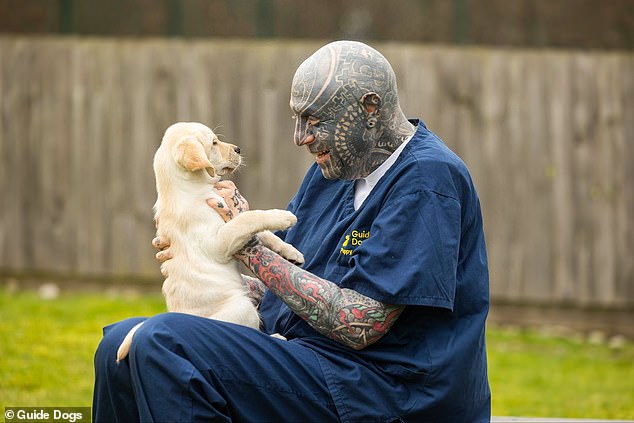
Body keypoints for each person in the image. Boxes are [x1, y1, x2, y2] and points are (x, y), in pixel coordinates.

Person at [93, 40, 491, 422]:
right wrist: (207, 270)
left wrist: (243, 243)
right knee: (118, 348)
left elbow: (361, 323)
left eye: (314, 121)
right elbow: (295, 288)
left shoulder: (426, 179)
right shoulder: (334, 172)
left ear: (370, 108)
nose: (300, 137)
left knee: (164, 343)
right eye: (298, 120)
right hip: (314, 362)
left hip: (386, 391)